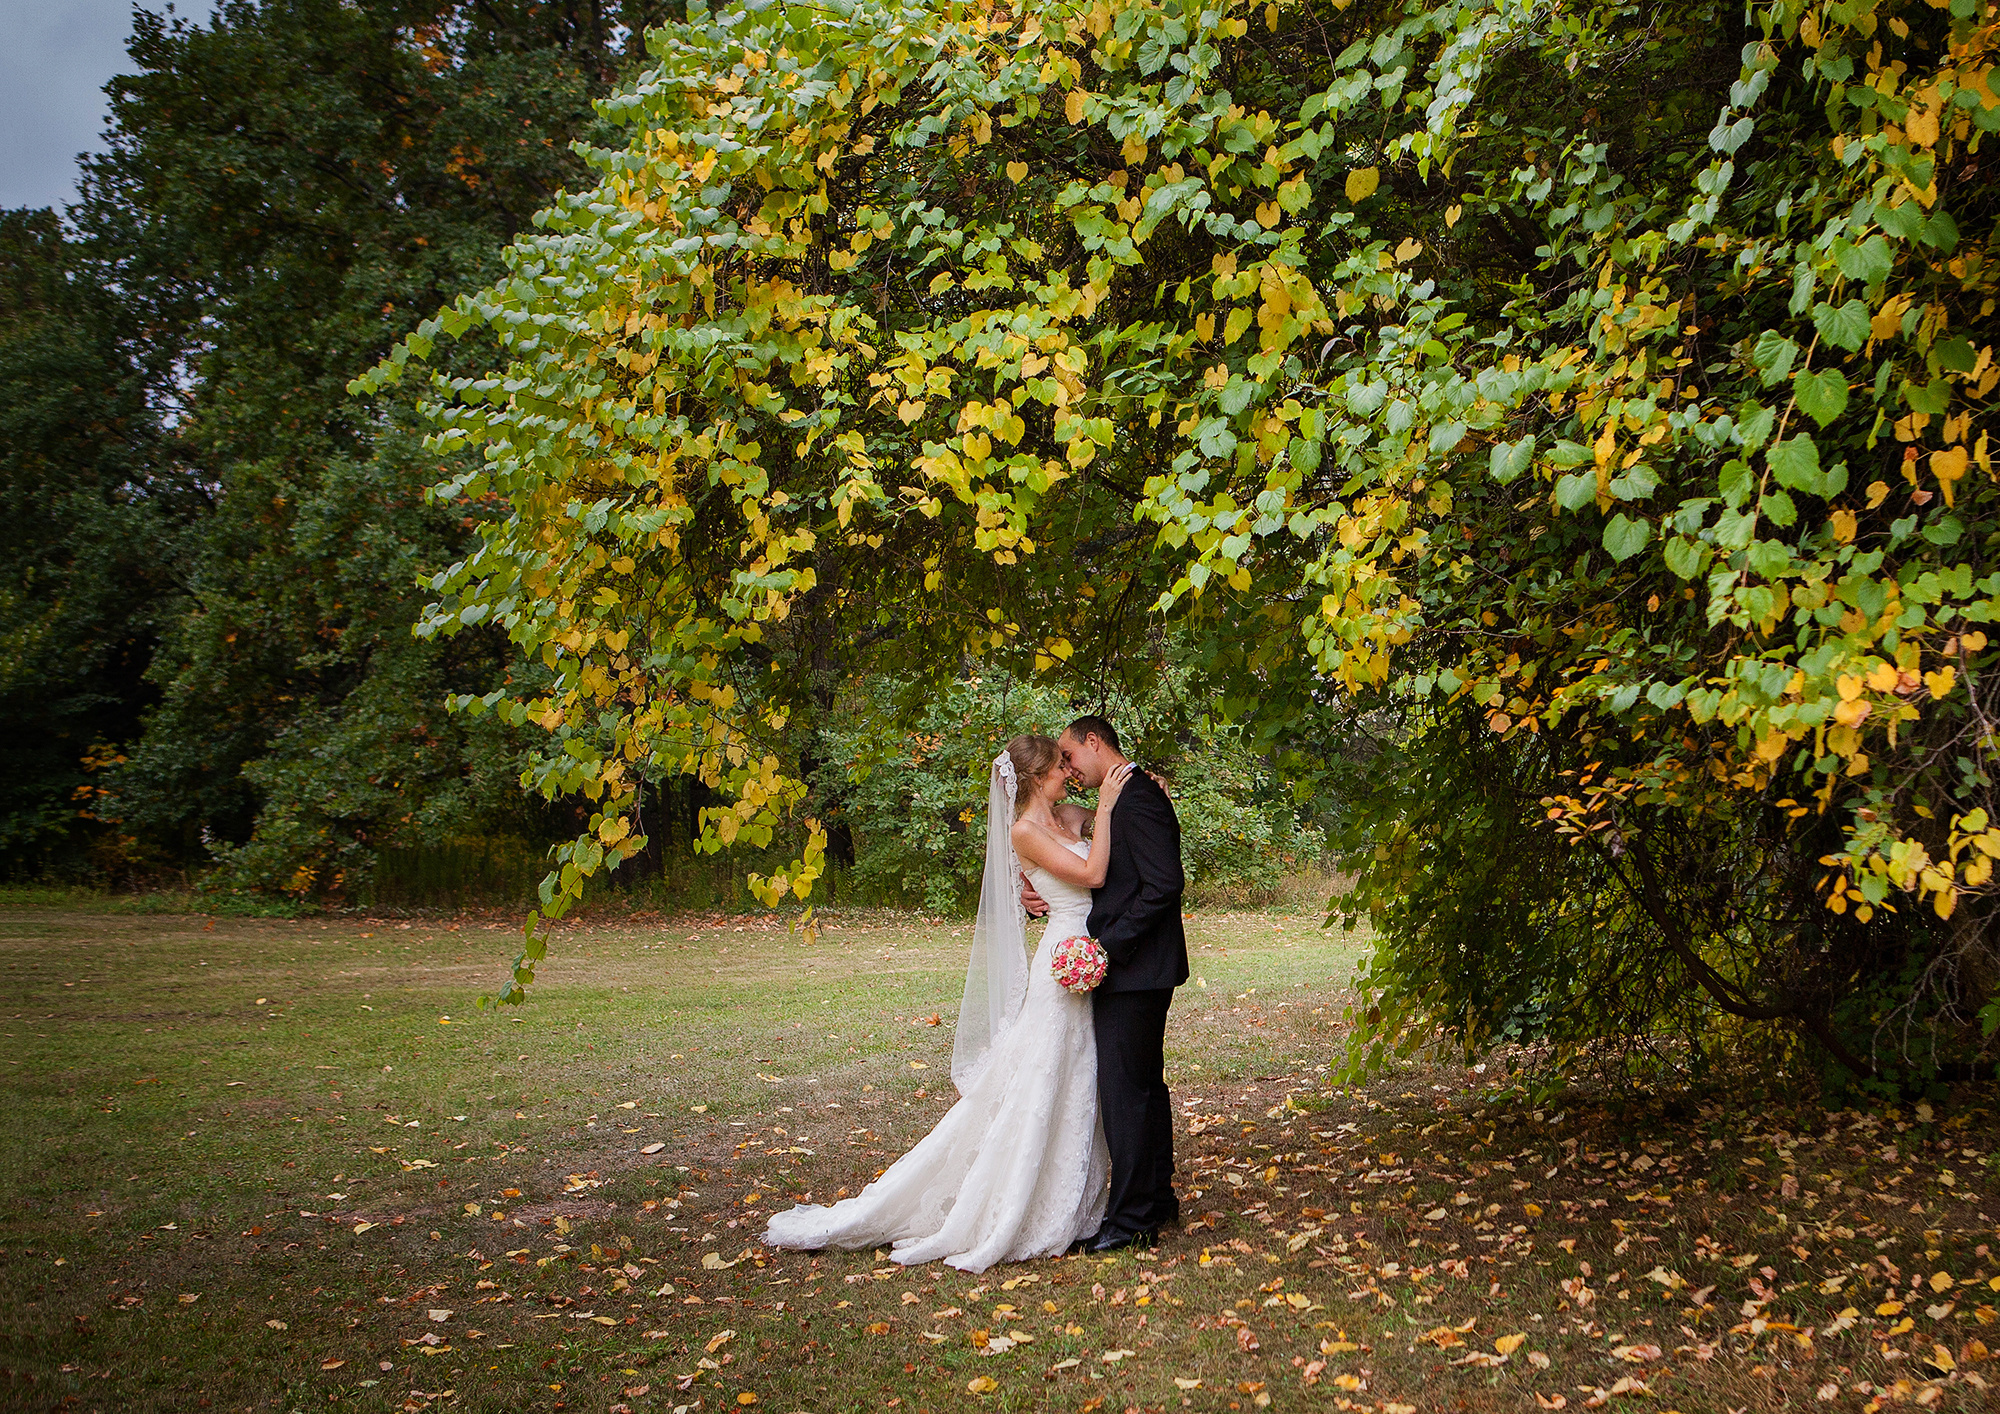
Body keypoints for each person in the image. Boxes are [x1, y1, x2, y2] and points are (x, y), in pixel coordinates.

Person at [761, 733, 1136, 1272]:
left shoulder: (1066, 817)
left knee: (1079, 1075)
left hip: (1086, 951)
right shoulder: (1025, 831)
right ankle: (1012, 1200)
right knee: (1045, 1073)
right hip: (1062, 959)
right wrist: (1099, 810)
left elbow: (1111, 818)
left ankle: (1077, 1195)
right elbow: (1092, 873)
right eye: (1060, 767)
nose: (1069, 774)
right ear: (1035, 778)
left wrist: (1135, 792)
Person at [1039, 715, 1188, 1252]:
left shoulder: (1138, 797)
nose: (1068, 769)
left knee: (1127, 1094)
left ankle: (1130, 1222)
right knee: (1143, 1088)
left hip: (1135, 968)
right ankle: (1156, 1201)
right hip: (1137, 968)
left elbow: (1164, 884)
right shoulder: (1121, 796)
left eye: (1070, 756)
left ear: (1093, 743)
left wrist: (1108, 945)